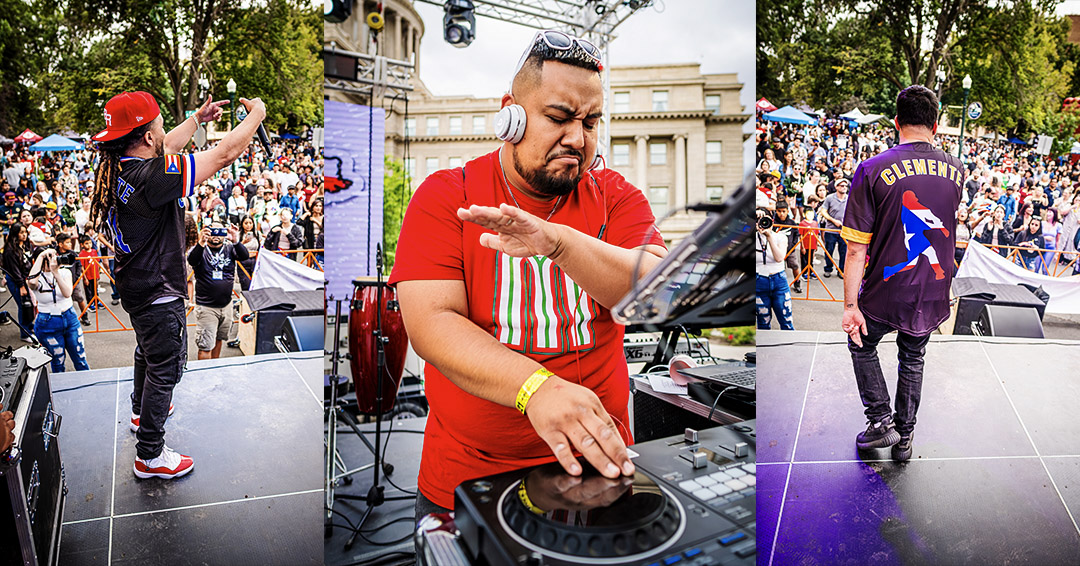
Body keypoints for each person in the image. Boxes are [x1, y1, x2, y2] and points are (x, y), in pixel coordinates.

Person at [390, 31, 664, 519]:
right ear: (510, 114)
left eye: (591, 122)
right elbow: (430, 324)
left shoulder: (616, 196)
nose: (577, 139)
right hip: (467, 479)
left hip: (602, 468)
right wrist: (535, 387)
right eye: (558, 118)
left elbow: (657, 288)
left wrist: (559, 244)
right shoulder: (445, 195)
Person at [89, 90, 265, 480]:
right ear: (148, 136)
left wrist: (198, 119)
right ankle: (150, 454)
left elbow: (168, 143)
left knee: (147, 352)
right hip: (158, 289)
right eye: (159, 125)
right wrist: (257, 116)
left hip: (135, 283)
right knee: (166, 367)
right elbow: (222, 156)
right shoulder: (155, 177)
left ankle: (140, 410)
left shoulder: (121, 164)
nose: (164, 131)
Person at [840, 85, 962, 462]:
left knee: (860, 341)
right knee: (913, 357)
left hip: (884, 291)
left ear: (896, 122)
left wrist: (849, 306)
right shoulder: (956, 169)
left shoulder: (871, 169)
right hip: (932, 290)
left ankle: (880, 422)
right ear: (936, 125)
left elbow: (857, 248)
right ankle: (905, 438)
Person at [188, 222, 248, 360]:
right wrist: (201, 241)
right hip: (207, 307)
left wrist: (236, 240)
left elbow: (244, 256)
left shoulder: (229, 248)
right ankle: (205, 377)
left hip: (226, 305)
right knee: (205, 345)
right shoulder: (200, 249)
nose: (216, 235)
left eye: (220, 231)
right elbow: (192, 260)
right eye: (212, 231)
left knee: (218, 339)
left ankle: (215, 370)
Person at [26, 247, 89, 372]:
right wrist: (41, 256)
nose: (53, 259)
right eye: (49, 257)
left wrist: (56, 273)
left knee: (80, 358)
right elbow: (32, 282)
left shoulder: (65, 272)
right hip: (47, 322)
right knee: (58, 362)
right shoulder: (37, 277)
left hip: (69, 317)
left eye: (55, 255)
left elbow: (67, 293)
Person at [756, 209, 795, 329]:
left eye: (765, 219)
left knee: (786, 321)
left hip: (779, 281)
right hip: (758, 282)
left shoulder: (780, 237)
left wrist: (769, 237)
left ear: (772, 221)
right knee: (763, 323)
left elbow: (779, 258)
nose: (763, 222)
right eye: (759, 219)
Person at [2, 225, 34, 341]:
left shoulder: (25, 245)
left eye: (25, 232)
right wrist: (21, 286)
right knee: (23, 306)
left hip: (26, 278)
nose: (24, 235)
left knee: (29, 305)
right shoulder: (10, 250)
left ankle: (29, 327)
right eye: (21, 232)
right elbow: (14, 270)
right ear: (15, 234)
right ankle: (24, 333)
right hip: (16, 281)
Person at [56, 233, 90, 326]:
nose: (70, 244)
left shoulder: (73, 254)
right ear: (60, 244)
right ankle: (64, 319)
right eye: (67, 242)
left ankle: (84, 316)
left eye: (70, 242)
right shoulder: (55, 253)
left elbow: (79, 264)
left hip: (73, 281)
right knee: (62, 300)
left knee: (79, 297)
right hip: (60, 283)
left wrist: (77, 277)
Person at [819, 177, 849, 277]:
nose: (844, 188)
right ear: (836, 187)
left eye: (845, 186)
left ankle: (841, 270)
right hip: (830, 229)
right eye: (842, 186)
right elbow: (823, 211)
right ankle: (828, 268)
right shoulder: (830, 198)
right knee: (829, 250)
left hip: (844, 230)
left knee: (843, 252)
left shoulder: (849, 198)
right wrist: (833, 220)